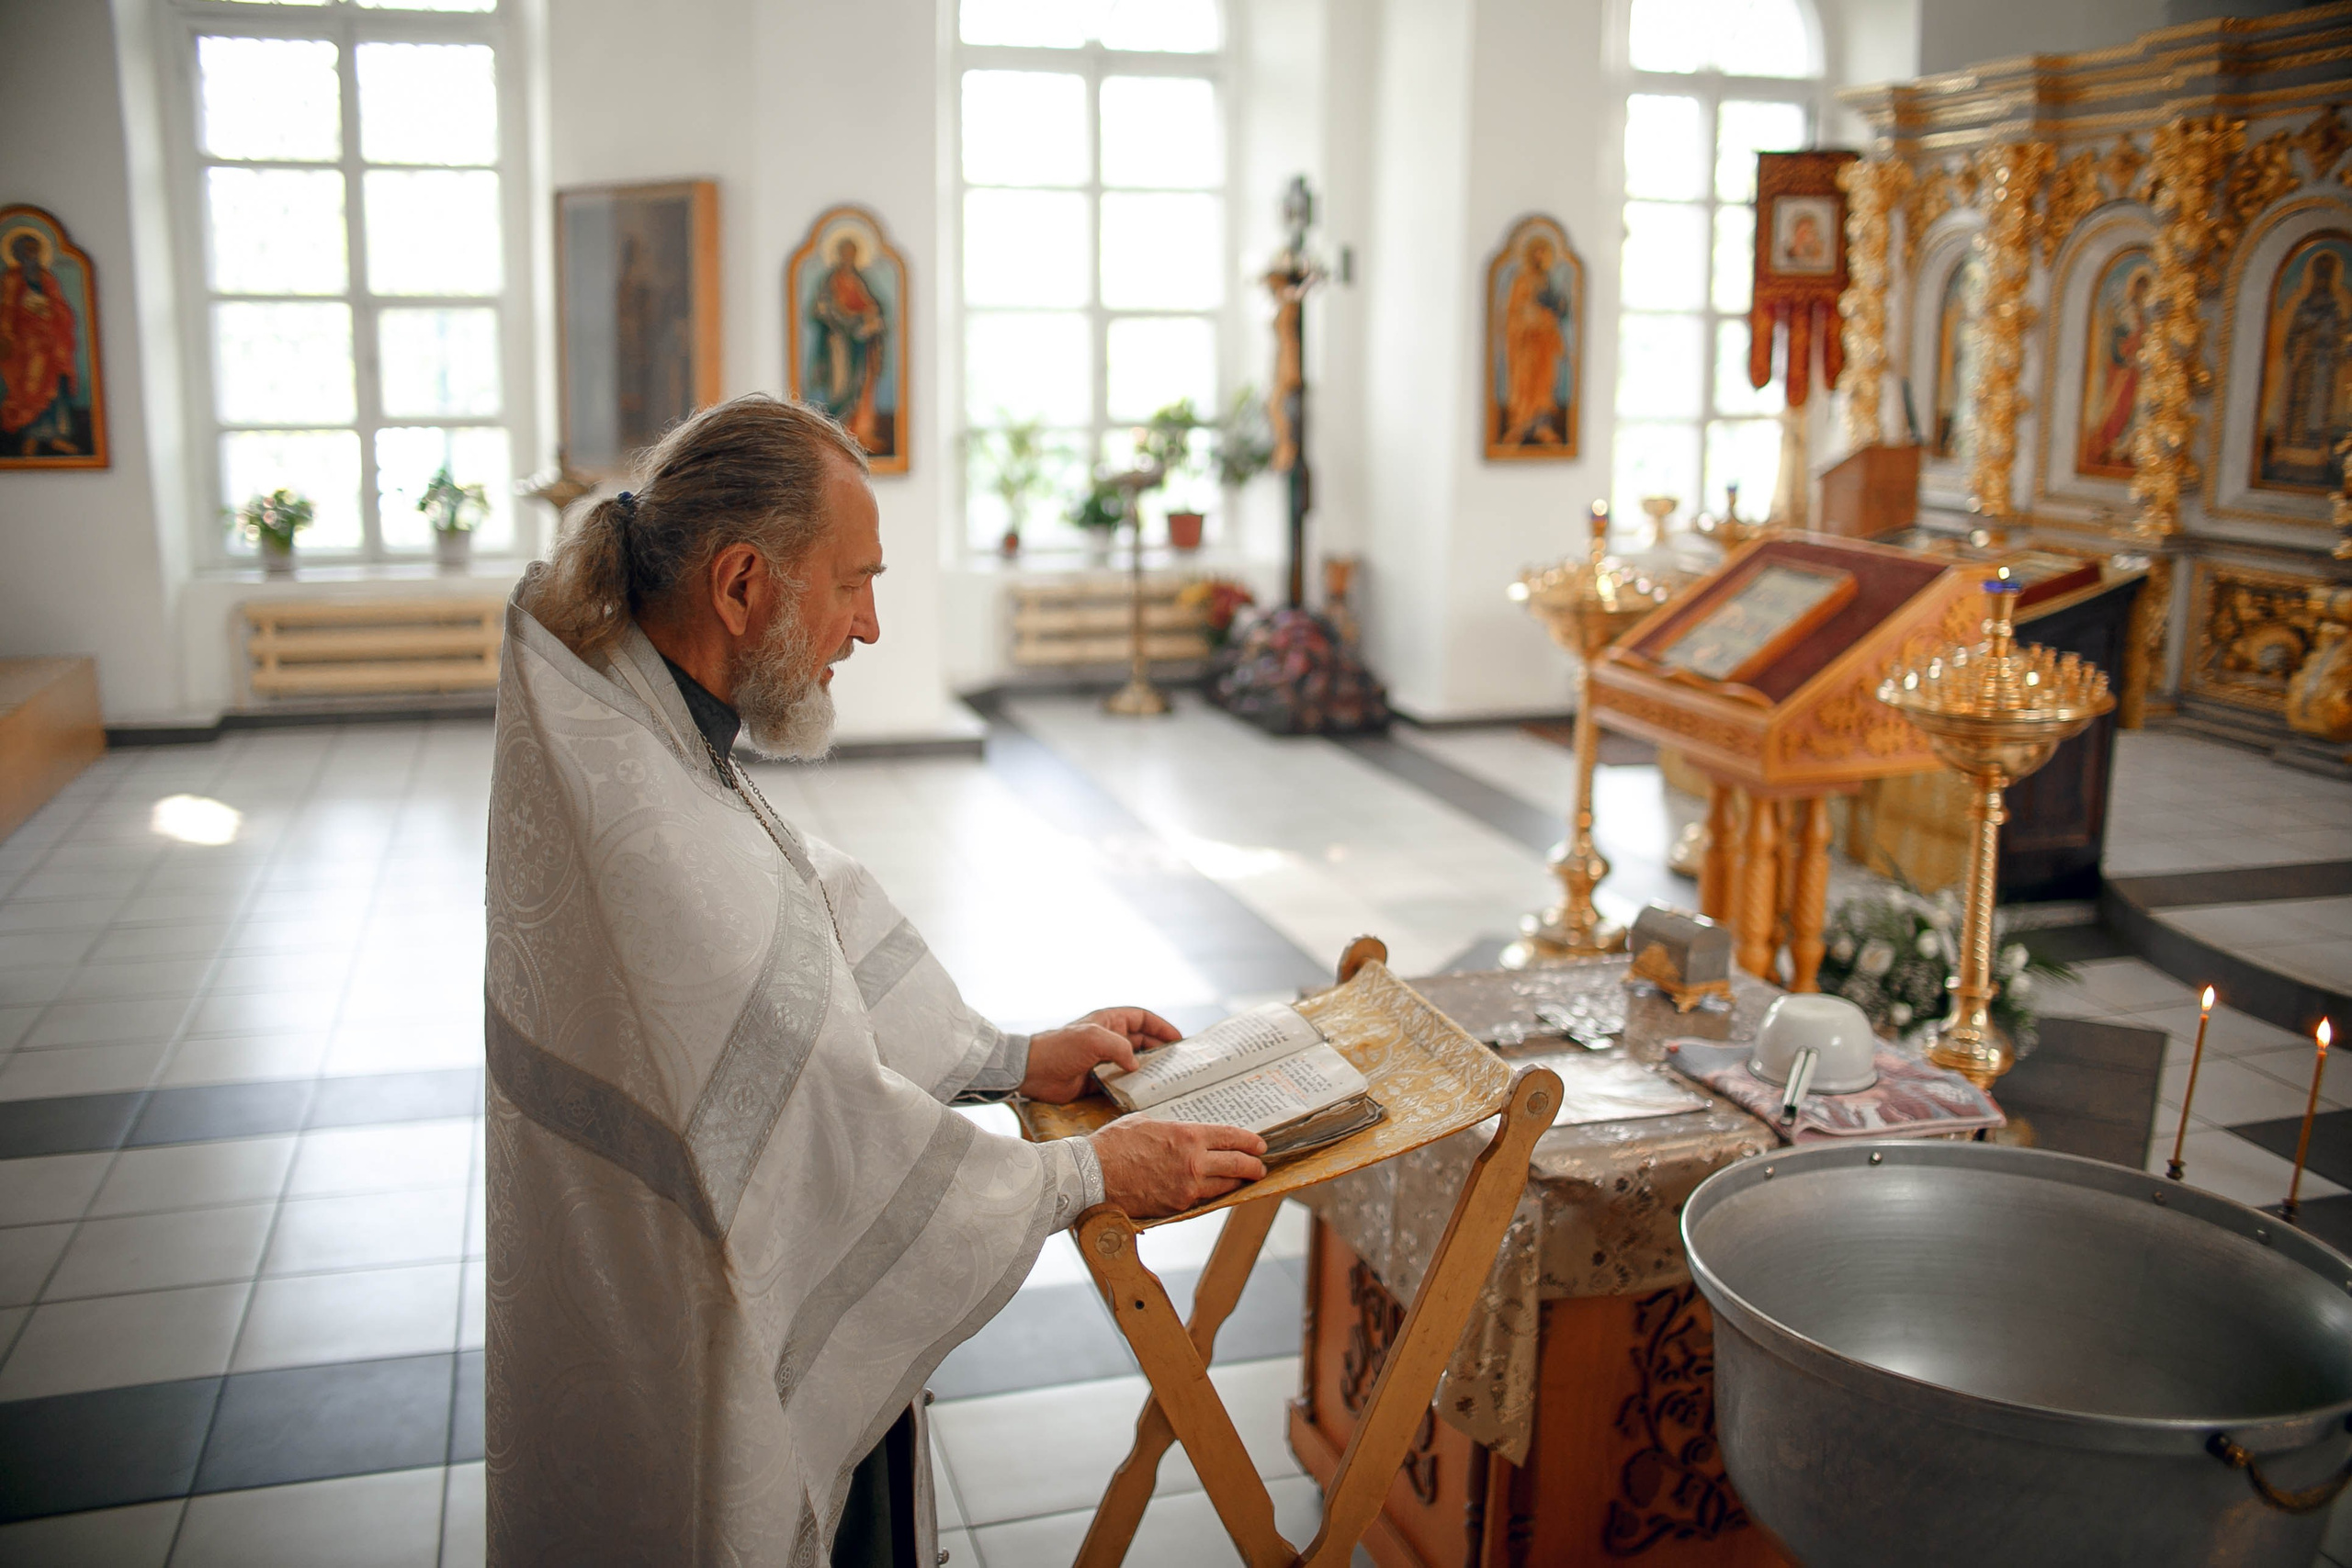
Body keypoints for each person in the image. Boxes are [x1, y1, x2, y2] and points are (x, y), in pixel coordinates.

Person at [486, 395, 1267, 1566]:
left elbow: (801, 909)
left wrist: (1011, 1058)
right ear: (743, 584)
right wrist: (1083, 1171)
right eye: (852, 582)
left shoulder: (636, 729)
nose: (870, 627)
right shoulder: (648, 824)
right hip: (705, 1360)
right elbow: (826, 1151)